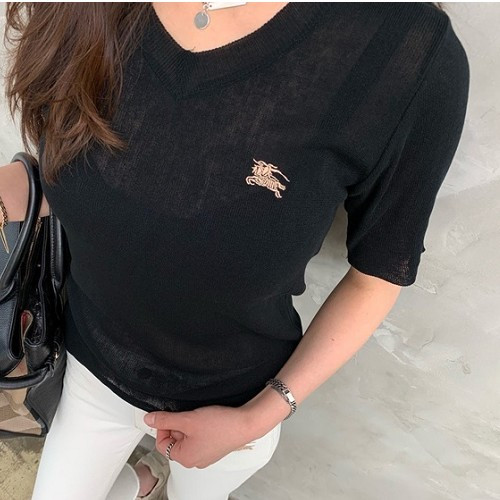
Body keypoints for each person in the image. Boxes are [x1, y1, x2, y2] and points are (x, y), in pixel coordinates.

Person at [0, 2, 469, 499]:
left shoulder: (406, 50)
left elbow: (376, 277)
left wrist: (257, 417)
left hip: (233, 403)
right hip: (90, 367)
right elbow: (84, 178)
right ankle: (144, 480)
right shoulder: (85, 10)